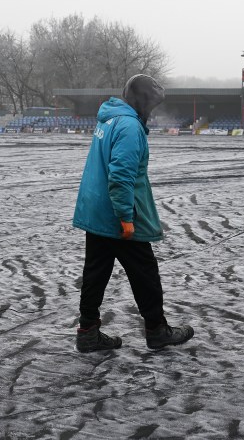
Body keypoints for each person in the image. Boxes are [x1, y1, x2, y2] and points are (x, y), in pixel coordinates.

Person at [72, 74, 195, 352]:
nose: (151, 111)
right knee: (145, 272)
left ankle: (88, 331)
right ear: (142, 101)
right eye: (151, 104)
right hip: (116, 214)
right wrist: (126, 217)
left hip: (96, 210)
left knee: (96, 273)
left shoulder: (110, 119)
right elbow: (121, 174)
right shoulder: (129, 126)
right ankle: (157, 329)